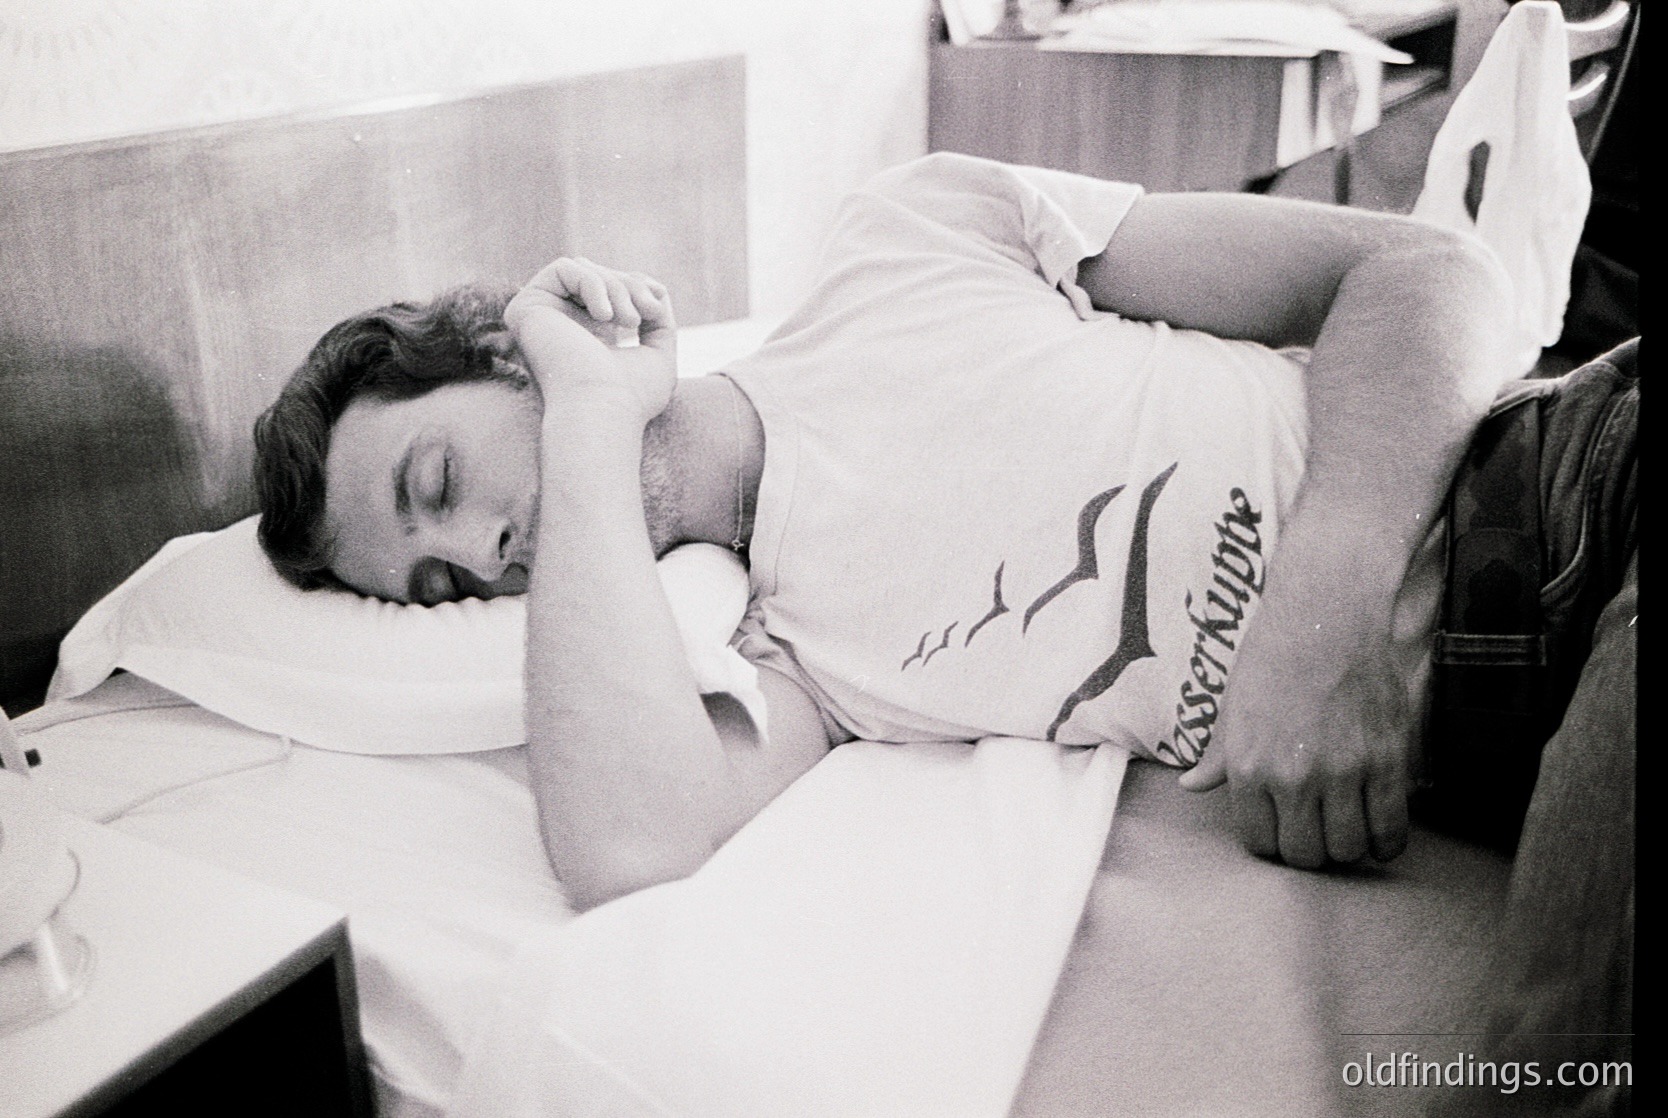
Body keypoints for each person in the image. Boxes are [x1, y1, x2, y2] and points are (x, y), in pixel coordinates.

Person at [253, 154, 1624, 924]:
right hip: (1501, 759)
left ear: (505, 352)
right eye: (440, 582)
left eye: (440, 480)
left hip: (1566, 503)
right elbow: (629, 852)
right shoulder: (790, 662)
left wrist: (1327, 617)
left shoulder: (910, 239)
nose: (488, 552)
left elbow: (1422, 272)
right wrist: (587, 430)